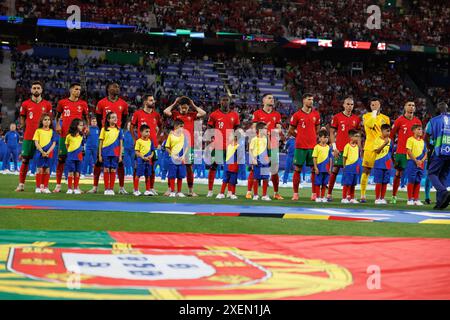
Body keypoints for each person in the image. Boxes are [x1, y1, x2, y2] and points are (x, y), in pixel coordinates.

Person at [88, 82, 129, 194]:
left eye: (118, 87)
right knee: (99, 161)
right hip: (105, 136)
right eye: (114, 87)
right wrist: (105, 131)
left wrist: (118, 131)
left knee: (120, 162)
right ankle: (95, 187)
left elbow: (125, 119)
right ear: (108, 89)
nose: (117, 88)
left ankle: (121, 187)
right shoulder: (101, 103)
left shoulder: (124, 104)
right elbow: (98, 117)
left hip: (118, 137)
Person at [164, 96, 206, 196]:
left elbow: (203, 113)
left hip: (189, 146)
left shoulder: (192, 115)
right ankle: (170, 189)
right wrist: (175, 103)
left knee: (189, 168)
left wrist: (193, 105)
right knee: (173, 167)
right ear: (179, 107)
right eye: (182, 107)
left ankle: (190, 190)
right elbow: (166, 111)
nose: (184, 109)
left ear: (188, 107)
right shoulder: (175, 114)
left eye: (186, 107)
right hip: (176, 146)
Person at [15, 81, 53, 192]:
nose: (36, 90)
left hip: (44, 138)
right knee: (25, 160)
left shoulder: (47, 105)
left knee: (44, 162)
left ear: (41, 90)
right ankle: (21, 184)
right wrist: (22, 124)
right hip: (29, 136)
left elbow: (50, 120)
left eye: (38, 88)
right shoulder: (25, 104)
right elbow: (22, 116)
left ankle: (43, 186)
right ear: (31, 90)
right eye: (34, 88)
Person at [246, 93, 284, 200]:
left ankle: (276, 193)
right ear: (263, 100)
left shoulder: (277, 114)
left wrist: (268, 131)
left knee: (274, 170)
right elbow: (254, 129)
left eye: (273, 98)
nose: (272, 100)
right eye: (269, 98)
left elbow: (279, 129)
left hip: (273, 145)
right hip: (260, 146)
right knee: (255, 168)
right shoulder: (257, 113)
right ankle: (249, 191)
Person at [53, 83, 89, 193]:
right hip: (65, 135)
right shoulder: (62, 102)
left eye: (79, 89)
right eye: (76, 89)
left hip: (78, 138)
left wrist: (87, 127)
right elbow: (57, 116)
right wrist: (58, 125)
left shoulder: (83, 104)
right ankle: (58, 185)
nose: (78, 91)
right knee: (61, 160)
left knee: (77, 161)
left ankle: (76, 187)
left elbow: (86, 117)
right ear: (71, 90)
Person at [206, 96, 240, 197]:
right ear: (220, 101)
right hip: (218, 145)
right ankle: (210, 190)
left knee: (231, 169)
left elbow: (237, 129)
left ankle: (230, 192)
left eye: (227, 100)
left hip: (230, 146)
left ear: (229, 102)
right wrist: (211, 140)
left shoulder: (235, 115)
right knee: (213, 167)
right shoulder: (214, 114)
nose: (225, 102)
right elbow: (209, 127)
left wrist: (236, 140)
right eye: (223, 99)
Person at [327, 97, 361, 201]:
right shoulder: (337, 117)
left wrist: (359, 148)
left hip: (352, 150)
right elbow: (332, 132)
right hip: (340, 149)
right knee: (335, 170)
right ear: (343, 105)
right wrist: (334, 147)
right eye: (348, 104)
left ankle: (350, 196)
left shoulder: (356, 118)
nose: (349, 106)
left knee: (352, 172)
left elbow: (358, 135)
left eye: (351, 104)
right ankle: (329, 194)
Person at [288, 93, 321, 201]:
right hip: (300, 146)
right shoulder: (297, 115)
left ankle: (314, 194)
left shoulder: (316, 114)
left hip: (312, 147)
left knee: (314, 169)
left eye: (312, 99)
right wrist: (300, 136)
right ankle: (295, 194)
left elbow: (318, 129)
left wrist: (312, 137)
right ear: (304, 100)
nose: (311, 101)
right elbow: (290, 130)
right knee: (297, 169)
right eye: (309, 99)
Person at [389, 100, 422, 204]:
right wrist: (392, 148)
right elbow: (391, 134)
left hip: (414, 153)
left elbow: (420, 137)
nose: (411, 107)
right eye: (409, 105)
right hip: (401, 152)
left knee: (414, 175)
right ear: (405, 107)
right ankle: (394, 196)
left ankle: (413, 198)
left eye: (413, 105)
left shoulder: (418, 121)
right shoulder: (399, 120)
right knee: (398, 173)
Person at [360, 98, 390, 202]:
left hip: (382, 149)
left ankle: (380, 197)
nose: (375, 107)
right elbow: (370, 125)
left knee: (382, 172)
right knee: (366, 170)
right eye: (372, 105)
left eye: (376, 105)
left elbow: (387, 133)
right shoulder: (366, 116)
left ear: (380, 105)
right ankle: (363, 195)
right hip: (370, 147)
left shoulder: (385, 118)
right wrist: (373, 113)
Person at [130, 94, 161, 196]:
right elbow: (132, 127)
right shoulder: (138, 113)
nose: (153, 102)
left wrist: (157, 139)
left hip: (153, 146)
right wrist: (135, 139)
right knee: (137, 167)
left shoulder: (156, 115)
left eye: (153, 100)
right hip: (141, 146)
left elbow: (160, 127)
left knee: (152, 168)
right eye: (151, 100)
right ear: (145, 102)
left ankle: (150, 188)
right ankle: (136, 189)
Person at [425, 102, 450, 209]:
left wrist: (429, 146)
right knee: (443, 176)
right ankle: (440, 203)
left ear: (437, 110)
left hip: (439, 151)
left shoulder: (433, 121)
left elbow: (426, 135)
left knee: (432, 173)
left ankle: (443, 192)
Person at [99, 112, 124, 196]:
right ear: (108, 119)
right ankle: (106, 188)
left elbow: (121, 143)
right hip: (105, 152)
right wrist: (99, 154)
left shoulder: (119, 130)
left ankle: (111, 189)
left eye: (116, 117)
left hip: (115, 153)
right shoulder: (104, 129)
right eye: (113, 117)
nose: (115, 119)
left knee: (113, 170)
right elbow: (101, 142)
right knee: (106, 169)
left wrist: (120, 155)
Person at [32, 114, 57, 194]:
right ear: (42, 121)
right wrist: (42, 152)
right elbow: (36, 142)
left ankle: (46, 187)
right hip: (40, 153)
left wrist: (48, 152)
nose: (47, 121)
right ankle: (38, 187)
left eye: (48, 120)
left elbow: (53, 144)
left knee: (47, 170)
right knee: (39, 170)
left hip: (49, 153)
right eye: (45, 120)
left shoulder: (52, 131)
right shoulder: (38, 131)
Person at [165, 120, 189, 197]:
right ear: (175, 127)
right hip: (173, 159)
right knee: (172, 175)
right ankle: (172, 191)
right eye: (180, 126)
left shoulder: (184, 136)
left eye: (183, 126)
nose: (182, 128)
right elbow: (167, 147)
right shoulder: (171, 136)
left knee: (180, 176)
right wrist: (173, 155)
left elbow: (186, 147)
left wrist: (184, 155)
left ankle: (179, 192)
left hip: (181, 159)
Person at [406, 124, 427, 205]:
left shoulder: (422, 141)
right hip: (412, 162)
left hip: (421, 163)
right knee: (411, 180)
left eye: (421, 129)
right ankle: (410, 199)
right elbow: (409, 151)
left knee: (418, 180)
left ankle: (416, 199)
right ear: (414, 130)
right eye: (418, 129)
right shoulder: (410, 140)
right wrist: (416, 160)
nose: (420, 131)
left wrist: (421, 161)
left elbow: (426, 153)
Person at [249, 122, 271, 201]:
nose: (266, 130)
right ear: (260, 130)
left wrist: (268, 136)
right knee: (256, 178)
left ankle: (264, 195)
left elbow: (269, 147)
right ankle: (255, 195)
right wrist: (253, 159)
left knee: (265, 178)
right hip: (257, 160)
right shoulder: (254, 139)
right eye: (265, 128)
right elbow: (250, 150)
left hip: (265, 160)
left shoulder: (265, 139)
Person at [373, 124, 393, 205]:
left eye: (389, 131)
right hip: (379, 162)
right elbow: (376, 151)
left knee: (385, 182)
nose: (388, 133)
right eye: (387, 131)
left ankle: (382, 198)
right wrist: (384, 144)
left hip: (387, 162)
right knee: (379, 181)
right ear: (382, 131)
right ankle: (377, 198)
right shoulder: (377, 140)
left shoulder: (390, 140)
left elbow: (390, 151)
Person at [133, 124, 155, 196]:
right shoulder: (138, 141)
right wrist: (143, 157)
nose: (148, 133)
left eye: (149, 132)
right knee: (138, 175)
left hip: (148, 161)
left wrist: (150, 156)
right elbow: (136, 151)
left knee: (148, 176)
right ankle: (136, 190)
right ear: (141, 132)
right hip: (140, 161)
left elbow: (152, 151)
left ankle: (147, 190)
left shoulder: (150, 141)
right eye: (146, 131)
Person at [216, 133, 240, 199]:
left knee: (233, 181)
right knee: (225, 180)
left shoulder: (238, 147)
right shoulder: (228, 146)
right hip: (227, 165)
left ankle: (233, 194)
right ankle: (221, 193)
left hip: (234, 166)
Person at [341, 129, 362, 204]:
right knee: (347, 183)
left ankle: (352, 198)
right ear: (351, 137)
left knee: (353, 184)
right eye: (356, 136)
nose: (358, 138)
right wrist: (344, 166)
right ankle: (344, 198)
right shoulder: (347, 146)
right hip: (348, 166)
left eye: (358, 136)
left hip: (355, 167)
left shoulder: (357, 147)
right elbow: (344, 157)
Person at [65, 118, 85, 194]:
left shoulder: (82, 136)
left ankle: (76, 188)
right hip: (71, 156)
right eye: (80, 125)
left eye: (82, 125)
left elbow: (83, 145)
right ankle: (70, 188)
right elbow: (67, 145)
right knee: (70, 172)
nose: (82, 127)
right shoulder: (69, 136)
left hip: (79, 156)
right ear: (75, 126)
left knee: (77, 172)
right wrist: (71, 152)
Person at [312, 130, 333, 203]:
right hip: (319, 168)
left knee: (324, 184)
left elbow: (330, 158)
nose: (326, 139)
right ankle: (317, 197)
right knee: (318, 183)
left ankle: (323, 197)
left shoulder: (328, 147)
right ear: (320, 138)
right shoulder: (317, 147)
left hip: (326, 169)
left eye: (327, 137)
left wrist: (330, 168)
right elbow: (314, 157)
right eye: (325, 137)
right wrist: (315, 168)